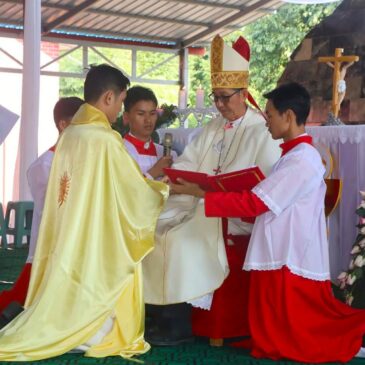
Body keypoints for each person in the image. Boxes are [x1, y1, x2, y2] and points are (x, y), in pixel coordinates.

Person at [171, 82, 365, 363]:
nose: (266, 122)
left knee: (307, 334)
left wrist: (201, 193)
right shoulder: (291, 156)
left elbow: (256, 202)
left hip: (289, 253)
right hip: (278, 249)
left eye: (270, 115)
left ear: (288, 116)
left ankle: (353, 334)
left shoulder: (302, 160)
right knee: (282, 332)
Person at [0, 64, 168, 361]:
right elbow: (131, 190)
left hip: (70, 227)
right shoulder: (103, 139)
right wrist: (158, 188)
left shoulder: (71, 135)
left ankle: (71, 323)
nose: (118, 110)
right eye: (119, 101)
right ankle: (91, 330)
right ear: (107, 98)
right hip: (95, 230)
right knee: (106, 272)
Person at [142, 34, 281, 345]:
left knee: (177, 238)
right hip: (197, 202)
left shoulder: (263, 129)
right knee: (153, 227)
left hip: (231, 212)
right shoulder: (212, 128)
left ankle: (177, 322)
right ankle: (155, 314)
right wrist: (174, 181)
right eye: (215, 97)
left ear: (243, 93)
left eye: (224, 97)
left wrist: (210, 192)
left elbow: (265, 184)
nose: (218, 105)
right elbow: (189, 163)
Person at [0, 97, 84, 315]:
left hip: (77, 238)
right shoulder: (45, 164)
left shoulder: (85, 158)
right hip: (51, 243)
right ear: (63, 125)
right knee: (25, 302)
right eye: (81, 125)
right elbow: (54, 208)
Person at [122, 86, 177, 180]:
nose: (148, 120)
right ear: (126, 117)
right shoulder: (119, 150)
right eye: (141, 114)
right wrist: (153, 172)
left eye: (152, 114)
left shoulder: (168, 154)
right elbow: (123, 190)